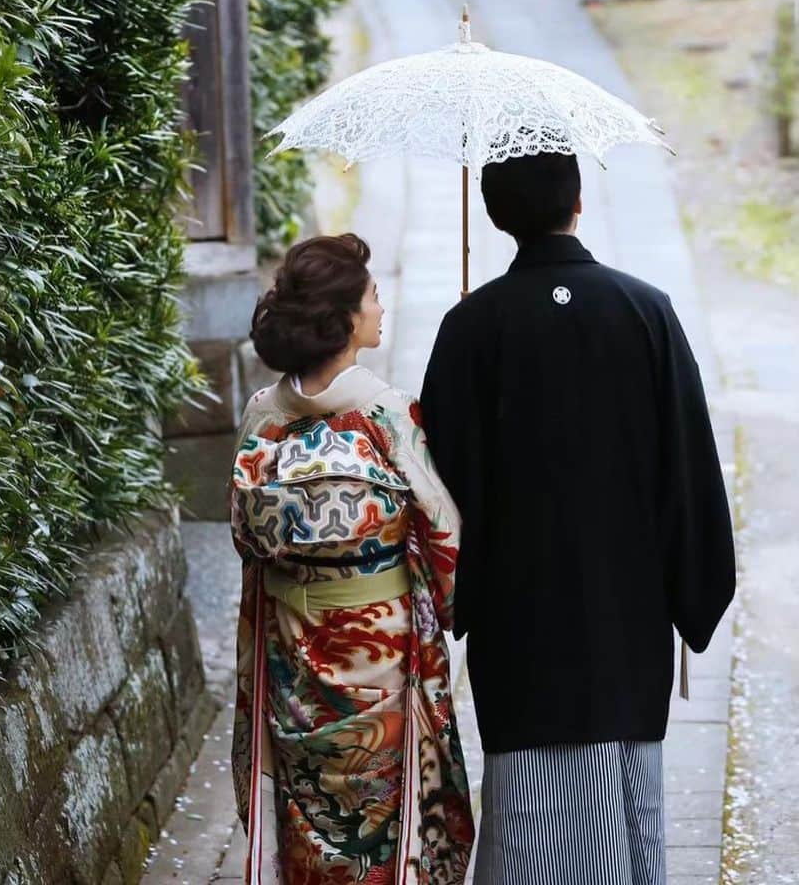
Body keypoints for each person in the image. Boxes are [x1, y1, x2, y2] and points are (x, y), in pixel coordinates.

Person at [419, 150, 736, 885]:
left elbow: (441, 488)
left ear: (497, 216)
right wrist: (693, 593)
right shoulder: (645, 308)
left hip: (519, 614)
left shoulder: (470, 326)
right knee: (625, 801)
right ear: (579, 203)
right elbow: (688, 465)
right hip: (627, 608)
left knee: (527, 810)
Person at [230, 233, 474, 885]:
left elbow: (244, 537)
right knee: (382, 812)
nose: (380, 302)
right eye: (371, 294)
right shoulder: (387, 414)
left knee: (306, 806)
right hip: (378, 650)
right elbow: (445, 534)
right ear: (343, 320)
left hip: (292, 650)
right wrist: (451, 605)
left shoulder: (264, 418)